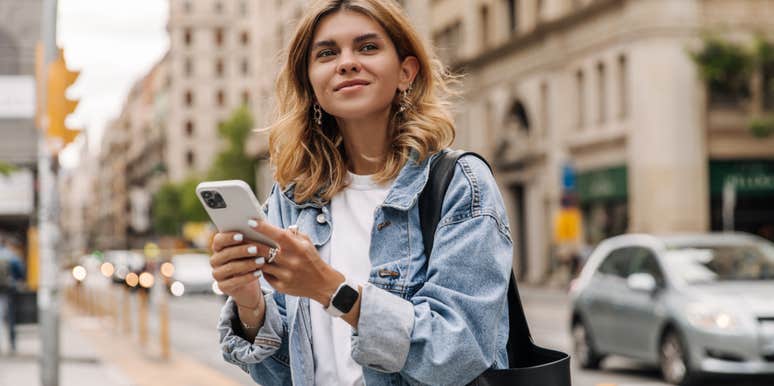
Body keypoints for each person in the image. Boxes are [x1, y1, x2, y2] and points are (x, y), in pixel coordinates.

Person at [210, 1, 513, 385]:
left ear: (406, 71)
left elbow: (459, 350)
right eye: (327, 53)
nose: (347, 62)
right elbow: (283, 375)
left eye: (368, 47)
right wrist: (249, 301)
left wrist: (331, 289)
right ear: (311, 83)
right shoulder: (292, 199)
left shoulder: (458, 183)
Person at [0, 236, 25, 354]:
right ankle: (12, 345)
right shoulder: (11, 255)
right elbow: (20, 271)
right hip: (9, 290)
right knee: (10, 317)